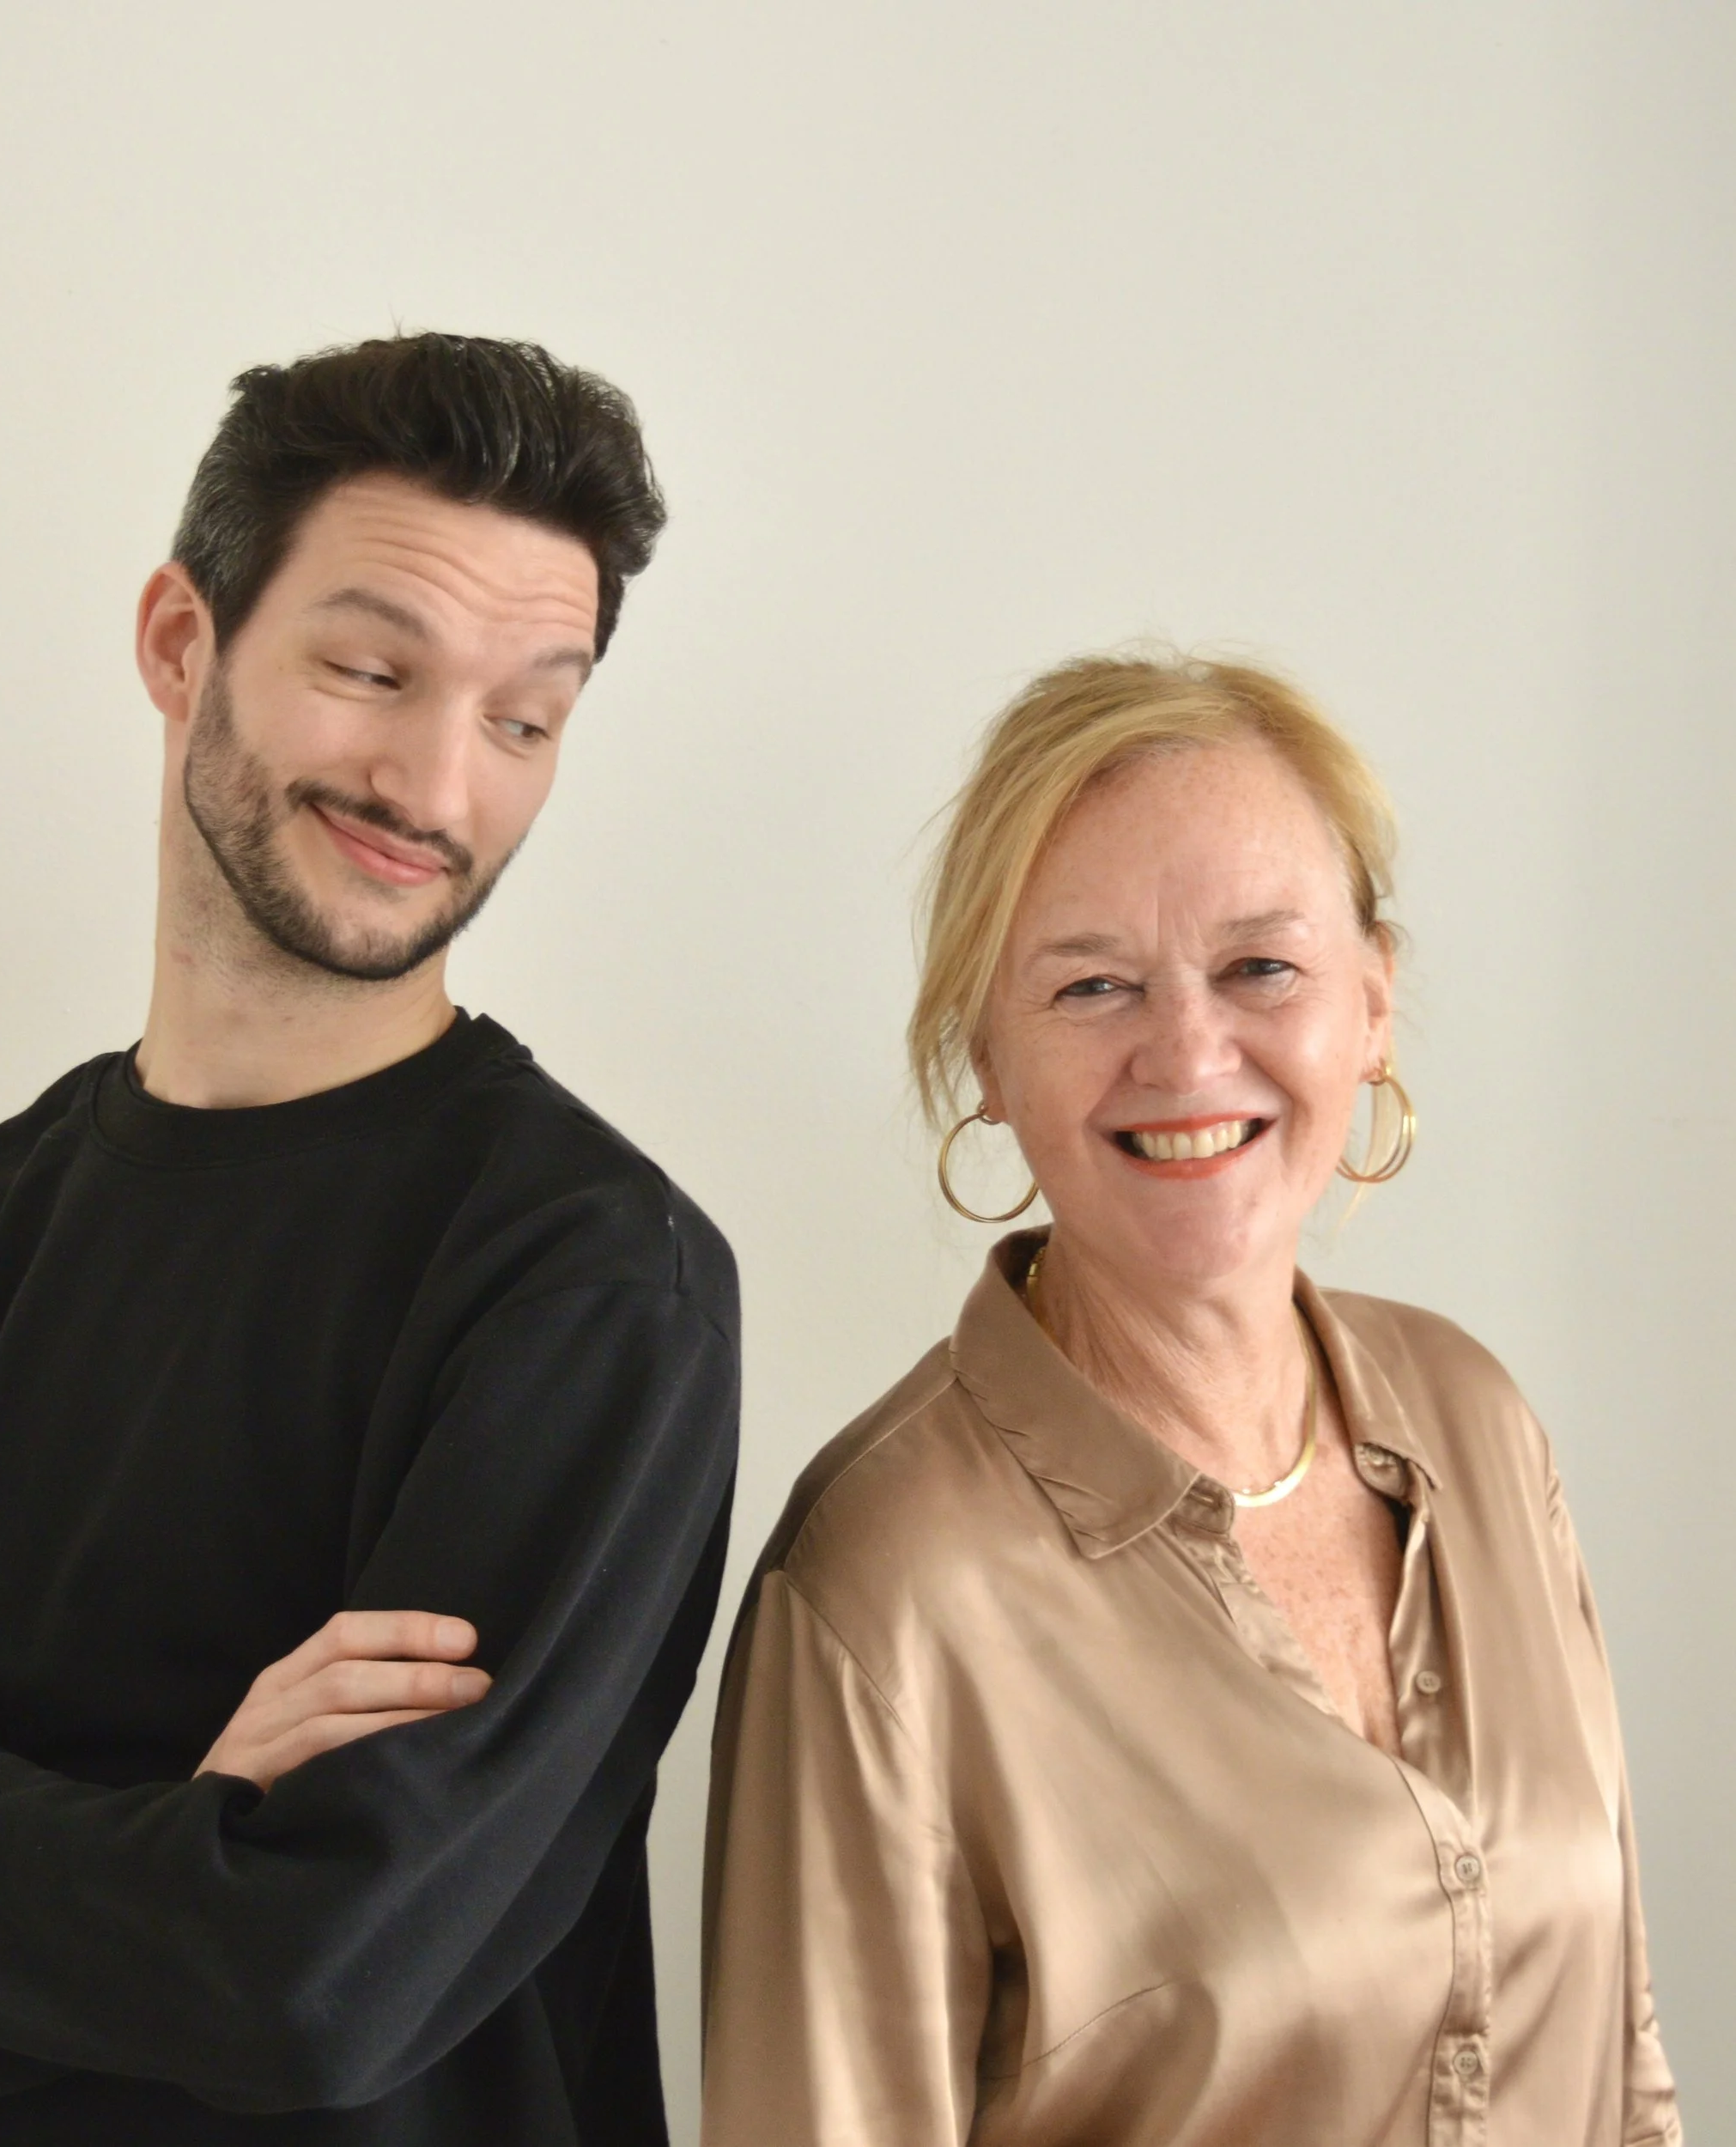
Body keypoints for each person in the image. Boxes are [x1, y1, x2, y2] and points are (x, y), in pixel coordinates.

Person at [0, 332, 739, 2147]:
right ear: (179, 640)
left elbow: (315, 1984)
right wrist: (185, 1851)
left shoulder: (592, 1284)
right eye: (371, 669)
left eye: (523, 721)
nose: (435, 784)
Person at [701, 654, 1679, 2144]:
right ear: (986, 1054)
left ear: (1373, 1002)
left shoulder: (1477, 1422)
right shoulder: (882, 1589)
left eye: (1260, 968)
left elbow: (1622, 2054)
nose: (1187, 1053)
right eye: (1091, 985)